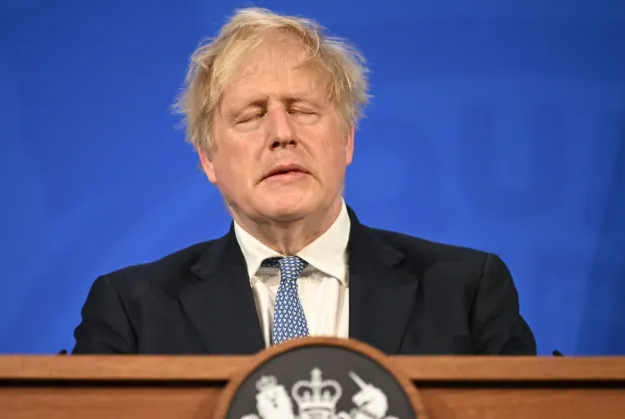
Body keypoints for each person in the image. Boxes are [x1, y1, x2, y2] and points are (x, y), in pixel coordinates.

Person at [71, 7, 536, 357]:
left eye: (302, 110)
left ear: (347, 140)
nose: (281, 134)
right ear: (209, 159)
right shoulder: (133, 311)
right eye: (251, 116)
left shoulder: (464, 291)